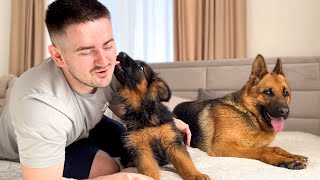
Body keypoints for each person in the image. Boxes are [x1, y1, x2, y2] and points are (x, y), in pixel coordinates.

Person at [0, 0, 191, 179]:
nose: (103, 62)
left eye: (108, 45)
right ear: (58, 56)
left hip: (90, 126)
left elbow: (129, 109)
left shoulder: (112, 70)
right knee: (109, 168)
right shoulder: (39, 105)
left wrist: (169, 121)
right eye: (86, 51)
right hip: (42, 139)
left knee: (147, 149)